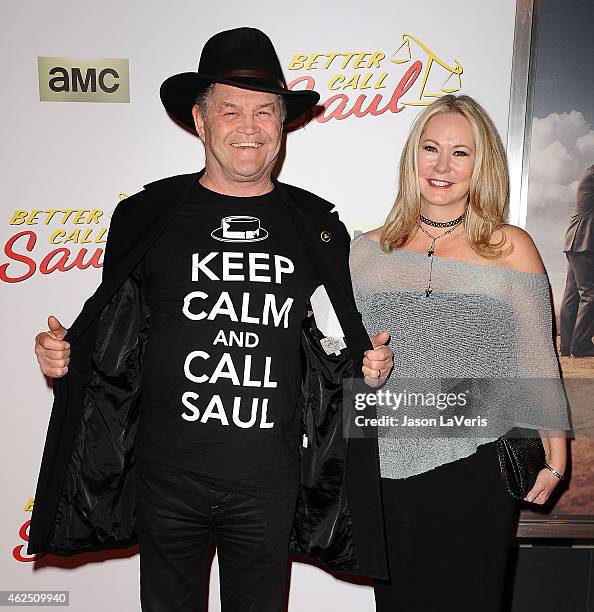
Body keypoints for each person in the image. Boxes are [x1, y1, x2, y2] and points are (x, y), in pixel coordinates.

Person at [29, 27, 393, 611]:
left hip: (268, 483)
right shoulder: (145, 216)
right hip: (167, 479)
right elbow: (114, 333)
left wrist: (366, 368)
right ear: (200, 122)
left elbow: (332, 344)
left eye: (265, 111)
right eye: (231, 110)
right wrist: (63, 357)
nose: (248, 127)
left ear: (282, 124)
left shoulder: (317, 227)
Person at [349, 94, 569, 611]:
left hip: (478, 463)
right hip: (386, 464)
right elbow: (340, 359)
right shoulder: (366, 251)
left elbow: (537, 357)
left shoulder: (510, 246)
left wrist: (557, 457)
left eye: (460, 153)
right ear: (412, 158)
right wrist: (364, 373)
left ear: (482, 164)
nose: (442, 166)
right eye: (431, 148)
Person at [560, 164, 594, 357]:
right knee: (590, 294)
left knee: (573, 294)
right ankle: (580, 345)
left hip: (577, 240)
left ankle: (567, 346)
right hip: (585, 240)